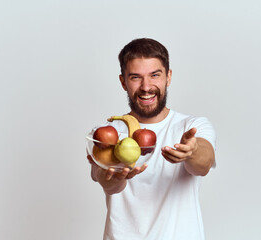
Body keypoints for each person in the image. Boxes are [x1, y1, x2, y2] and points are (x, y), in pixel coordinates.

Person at [87, 38, 216, 240]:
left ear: (168, 77)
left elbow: (203, 165)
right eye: (136, 77)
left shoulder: (192, 126)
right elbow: (111, 185)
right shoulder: (108, 133)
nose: (146, 87)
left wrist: (191, 152)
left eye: (155, 75)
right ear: (123, 82)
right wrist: (113, 176)